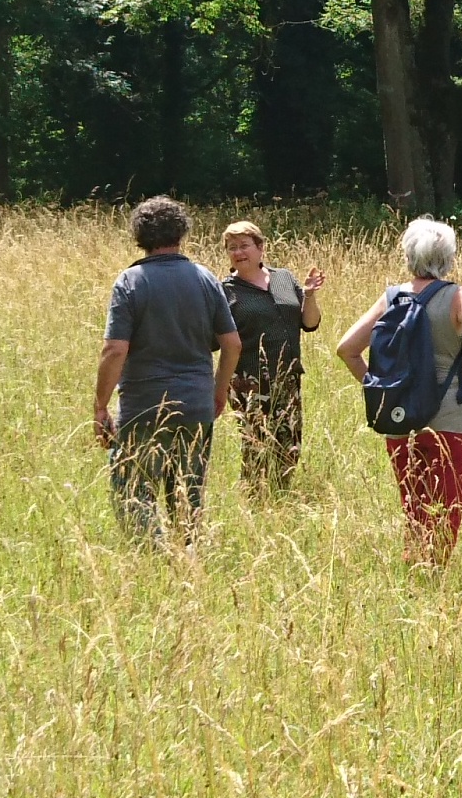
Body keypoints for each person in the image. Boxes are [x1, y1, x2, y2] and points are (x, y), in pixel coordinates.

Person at [335, 220, 462, 564]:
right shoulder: (456, 295)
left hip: (401, 416)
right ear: (448, 258)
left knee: (415, 510)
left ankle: (416, 572)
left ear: (408, 255)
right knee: (446, 513)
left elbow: (346, 349)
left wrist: (376, 388)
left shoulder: (392, 298)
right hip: (453, 418)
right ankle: (435, 578)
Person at [93, 195, 241, 549]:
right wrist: (218, 392)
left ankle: (155, 560)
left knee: (134, 493)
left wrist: (100, 406)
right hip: (195, 404)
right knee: (187, 496)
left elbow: (115, 349)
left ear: (139, 235)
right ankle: (187, 563)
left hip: (145, 406)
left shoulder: (130, 281)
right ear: (181, 232)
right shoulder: (205, 278)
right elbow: (232, 342)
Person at [221, 221, 325, 494]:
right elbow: (215, 340)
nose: (238, 252)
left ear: (260, 248)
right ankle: (254, 500)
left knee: (290, 442)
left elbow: (310, 323)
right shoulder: (226, 291)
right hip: (249, 381)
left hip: (288, 377)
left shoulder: (284, 278)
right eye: (232, 248)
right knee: (255, 446)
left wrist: (310, 295)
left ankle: (282, 496)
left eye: (244, 246)